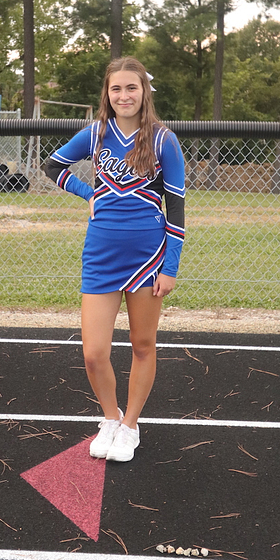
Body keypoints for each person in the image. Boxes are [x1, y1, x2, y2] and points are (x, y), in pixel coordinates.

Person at [45, 57, 185, 462]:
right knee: (93, 353)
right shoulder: (95, 134)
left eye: (131, 88)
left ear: (145, 92)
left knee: (142, 344)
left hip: (148, 257)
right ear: (107, 94)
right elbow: (52, 165)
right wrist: (87, 192)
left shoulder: (163, 140)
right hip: (101, 253)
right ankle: (110, 417)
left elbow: (176, 210)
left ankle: (130, 427)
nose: (124, 96)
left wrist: (170, 267)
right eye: (116, 89)